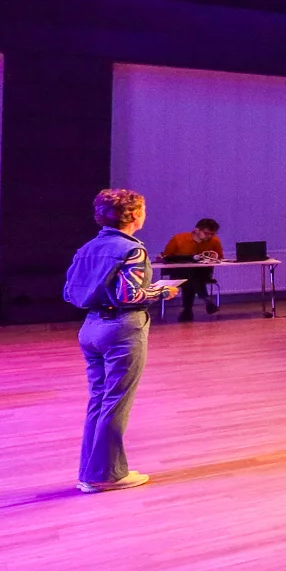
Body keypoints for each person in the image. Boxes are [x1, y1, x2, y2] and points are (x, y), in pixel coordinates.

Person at [64, 189, 181, 492]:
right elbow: (130, 295)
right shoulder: (132, 250)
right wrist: (162, 292)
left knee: (99, 400)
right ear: (133, 215)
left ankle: (90, 472)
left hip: (90, 327)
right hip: (121, 330)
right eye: (142, 209)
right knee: (116, 403)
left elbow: (70, 292)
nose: (145, 214)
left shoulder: (88, 248)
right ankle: (107, 475)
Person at [157, 216, 224, 321]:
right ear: (197, 230)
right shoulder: (179, 239)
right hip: (179, 273)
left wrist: (212, 257)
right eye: (207, 233)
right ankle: (206, 300)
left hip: (202, 273)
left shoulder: (214, 241)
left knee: (191, 276)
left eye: (212, 234)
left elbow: (219, 257)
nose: (209, 236)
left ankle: (187, 310)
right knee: (189, 275)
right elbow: (167, 257)